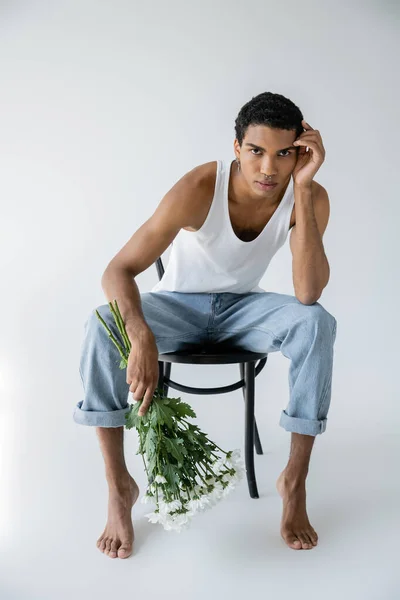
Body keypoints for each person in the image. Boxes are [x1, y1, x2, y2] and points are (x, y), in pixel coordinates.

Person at [74, 91, 337, 558]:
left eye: (283, 154)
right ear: (237, 148)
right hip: (177, 306)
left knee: (316, 323)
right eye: (256, 152)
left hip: (244, 311)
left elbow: (307, 293)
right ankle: (119, 486)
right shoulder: (200, 186)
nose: (268, 169)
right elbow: (118, 270)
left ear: (301, 151)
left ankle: (294, 480)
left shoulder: (307, 196)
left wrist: (304, 188)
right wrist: (138, 331)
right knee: (102, 324)